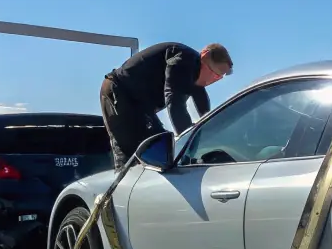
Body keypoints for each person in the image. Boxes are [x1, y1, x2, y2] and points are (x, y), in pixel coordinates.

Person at [99, 41, 233, 168]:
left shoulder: (196, 77)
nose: (214, 80)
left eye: (219, 77)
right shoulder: (184, 60)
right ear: (203, 56)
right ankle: (120, 186)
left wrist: (214, 135)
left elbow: (205, 114)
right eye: (214, 74)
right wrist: (187, 145)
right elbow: (175, 104)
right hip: (119, 92)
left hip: (141, 105)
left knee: (160, 146)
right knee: (130, 150)